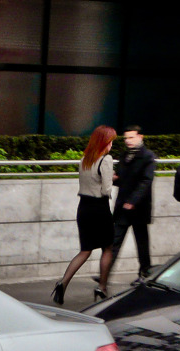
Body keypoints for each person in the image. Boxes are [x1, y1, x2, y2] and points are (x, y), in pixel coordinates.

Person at [52, 125, 116, 305]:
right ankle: (102, 287)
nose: (111, 145)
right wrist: (112, 179)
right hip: (99, 208)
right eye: (110, 141)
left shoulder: (84, 159)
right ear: (105, 142)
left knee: (85, 250)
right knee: (108, 247)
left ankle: (62, 283)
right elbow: (105, 189)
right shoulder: (106, 160)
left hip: (84, 208)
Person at [108, 125, 157, 280]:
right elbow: (123, 179)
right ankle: (105, 274)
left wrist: (133, 200)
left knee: (142, 243)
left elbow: (146, 181)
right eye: (126, 138)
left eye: (131, 137)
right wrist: (114, 179)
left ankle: (145, 272)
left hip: (139, 207)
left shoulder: (148, 156)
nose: (128, 141)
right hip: (123, 206)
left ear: (140, 137)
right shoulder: (124, 155)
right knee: (114, 241)